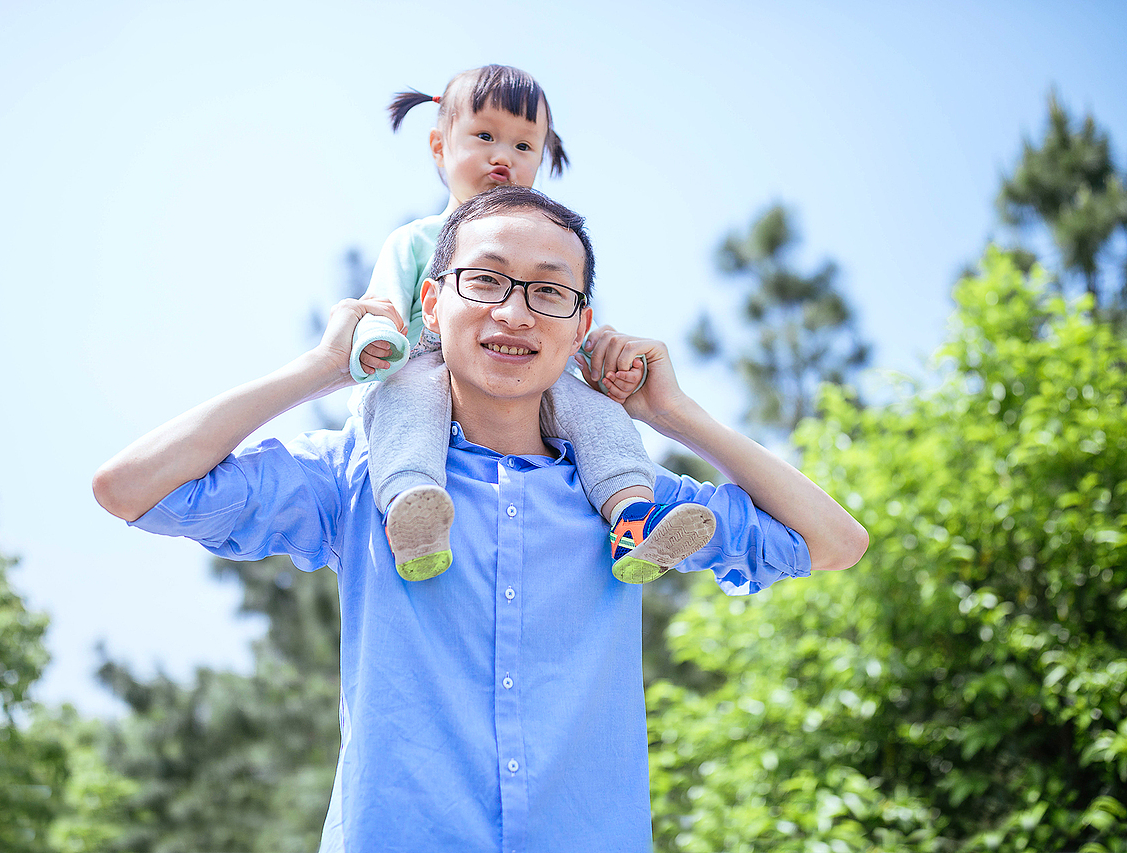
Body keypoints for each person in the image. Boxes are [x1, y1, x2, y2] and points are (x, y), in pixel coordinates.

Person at [92, 186, 869, 852]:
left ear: (579, 323)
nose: (515, 312)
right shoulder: (361, 481)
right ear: (432, 302)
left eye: (547, 291)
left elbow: (835, 543)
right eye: (486, 280)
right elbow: (132, 488)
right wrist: (321, 368)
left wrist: (677, 415)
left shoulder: (633, 507)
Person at [350, 64, 715, 584]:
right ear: (438, 146)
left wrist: (605, 367)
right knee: (407, 398)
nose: (504, 155)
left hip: (525, 383)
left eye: (525, 146)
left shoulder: (551, 246)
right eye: (484, 136)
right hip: (426, 367)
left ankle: (633, 516)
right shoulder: (415, 240)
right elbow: (380, 308)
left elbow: (558, 333)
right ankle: (413, 511)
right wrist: (377, 345)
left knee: (597, 415)